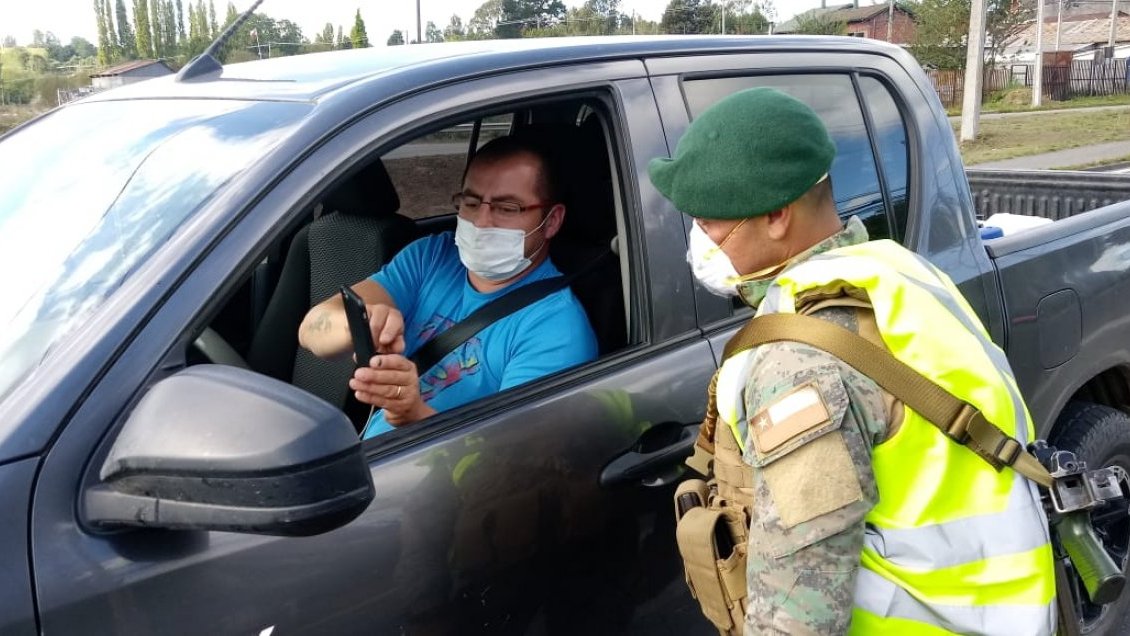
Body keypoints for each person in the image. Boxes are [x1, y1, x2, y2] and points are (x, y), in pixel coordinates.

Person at [649, 88, 1055, 635]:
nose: (699, 241)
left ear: (775, 215)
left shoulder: (800, 362)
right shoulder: (897, 277)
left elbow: (802, 606)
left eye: (709, 223)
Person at [299, 135, 598, 438]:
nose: (481, 222)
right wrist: (360, 328)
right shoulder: (432, 256)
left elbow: (510, 465)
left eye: (507, 208)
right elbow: (311, 329)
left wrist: (414, 416)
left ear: (551, 220)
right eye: (470, 202)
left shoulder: (556, 329)